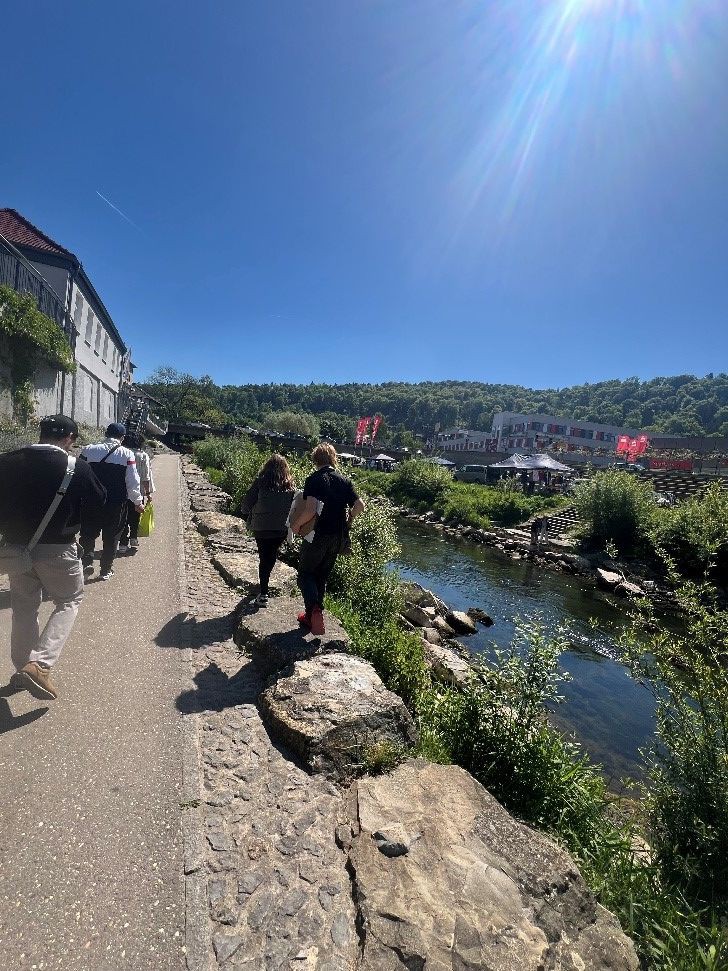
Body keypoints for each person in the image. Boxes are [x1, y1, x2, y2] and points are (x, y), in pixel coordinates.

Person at [0, 415, 106, 700]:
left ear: (41, 433)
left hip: (15, 550)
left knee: (24, 608)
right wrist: (86, 534)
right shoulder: (77, 468)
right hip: (58, 549)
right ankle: (41, 664)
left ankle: (23, 668)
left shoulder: (7, 461)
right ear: (70, 439)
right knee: (69, 599)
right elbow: (98, 503)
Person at [290, 442, 365, 635]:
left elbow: (310, 510)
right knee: (321, 577)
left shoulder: (314, 479)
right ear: (333, 458)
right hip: (337, 537)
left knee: (305, 574)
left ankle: (313, 610)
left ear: (316, 460)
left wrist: (296, 525)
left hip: (318, 535)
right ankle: (315, 616)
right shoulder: (344, 480)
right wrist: (349, 519)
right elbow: (359, 505)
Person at [79, 423, 143, 581]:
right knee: (112, 536)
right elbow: (132, 482)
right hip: (116, 502)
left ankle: (87, 561)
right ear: (122, 438)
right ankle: (105, 570)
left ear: (106, 434)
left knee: (87, 533)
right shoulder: (127, 454)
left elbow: (78, 473)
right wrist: (137, 501)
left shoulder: (88, 450)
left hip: (91, 500)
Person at [240, 454, 295, 607]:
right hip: (280, 530)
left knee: (264, 558)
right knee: (270, 557)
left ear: (267, 467)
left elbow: (245, 506)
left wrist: (247, 513)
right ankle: (264, 589)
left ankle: (263, 593)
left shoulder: (260, 483)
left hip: (261, 528)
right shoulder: (289, 485)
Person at [119, 432, 155, 553]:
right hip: (138, 491)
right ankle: (133, 537)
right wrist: (148, 493)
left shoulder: (121, 453)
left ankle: (123, 543)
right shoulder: (142, 455)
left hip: (122, 491)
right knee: (135, 516)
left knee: (122, 517)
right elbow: (145, 477)